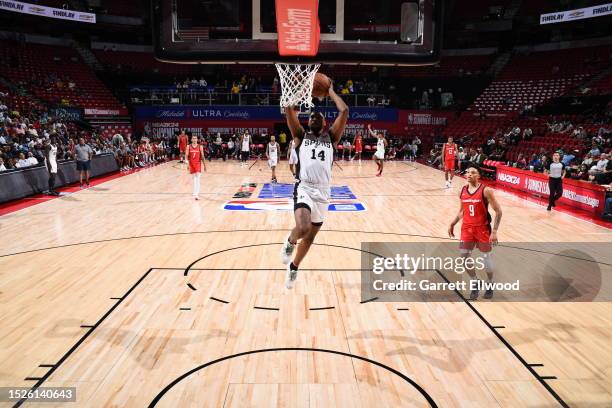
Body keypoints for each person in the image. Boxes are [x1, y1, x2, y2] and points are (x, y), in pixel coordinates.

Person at [280, 85, 348, 289]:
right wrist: (303, 90)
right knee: (302, 228)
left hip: (324, 191)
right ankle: (290, 242)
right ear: (308, 123)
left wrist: (331, 91)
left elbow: (344, 111)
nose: (314, 117)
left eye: (318, 116)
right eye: (311, 116)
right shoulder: (300, 136)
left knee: (309, 238)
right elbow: (289, 109)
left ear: (325, 123)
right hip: (305, 187)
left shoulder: (332, 137)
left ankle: (293, 268)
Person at [448, 167, 502, 300]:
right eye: (467, 172)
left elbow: (498, 211)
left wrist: (494, 231)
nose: (469, 174)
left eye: (473, 172)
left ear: (478, 176)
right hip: (467, 228)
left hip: (482, 229)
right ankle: (475, 281)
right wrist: (453, 223)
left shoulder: (486, 190)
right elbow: (462, 211)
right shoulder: (462, 190)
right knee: (463, 257)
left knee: (486, 258)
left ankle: (490, 284)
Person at [187, 134, 206, 200]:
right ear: (191, 139)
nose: (194, 140)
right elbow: (186, 156)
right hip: (191, 164)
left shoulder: (200, 147)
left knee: (197, 179)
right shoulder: (188, 146)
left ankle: (196, 194)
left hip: (198, 164)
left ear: (197, 139)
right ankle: (194, 192)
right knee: (194, 179)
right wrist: (187, 164)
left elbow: (203, 156)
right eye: (193, 138)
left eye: (195, 138)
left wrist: (205, 165)